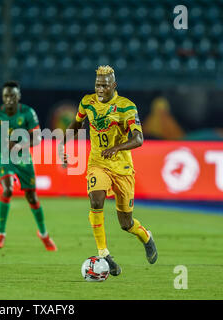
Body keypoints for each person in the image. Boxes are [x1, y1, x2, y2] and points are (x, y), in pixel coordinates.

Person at [59, 66, 158, 276]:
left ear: (114, 85)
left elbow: (138, 138)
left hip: (122, 168)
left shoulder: (126, 107)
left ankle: (146, 237)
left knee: (126, 223)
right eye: (97, 85)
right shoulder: (87, 102)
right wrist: (62, 146)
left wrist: (116, 148)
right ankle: (103, 254)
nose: (100, 89)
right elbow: (76, 124)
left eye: (105, 85)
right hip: (97, 163)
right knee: (96, 201)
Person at [0, 81, 57, 251]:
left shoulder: (27, 113)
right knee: (7, 189)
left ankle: (43, 234)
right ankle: (0, 234)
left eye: (12, 95)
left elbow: (38, 138)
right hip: (4, 157)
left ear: (18, 96)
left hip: (23, 158)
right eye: (5, 96)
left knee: (32, 198)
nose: (9, 99)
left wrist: (19, 146)